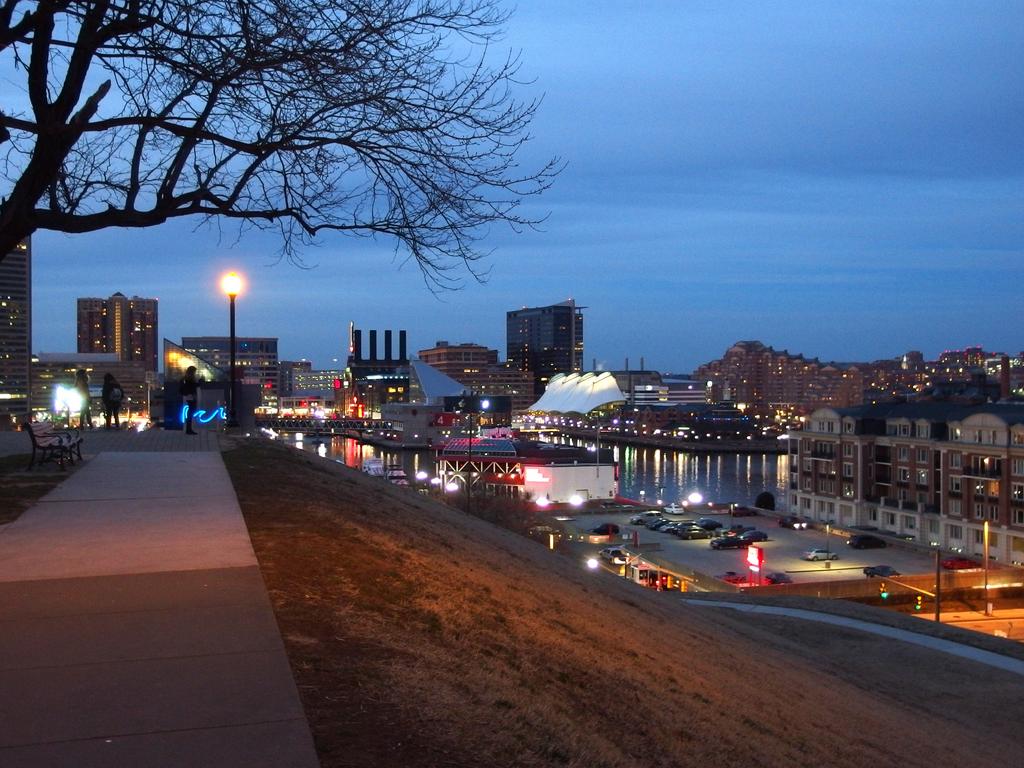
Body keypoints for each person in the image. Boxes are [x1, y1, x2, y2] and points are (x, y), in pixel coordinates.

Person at [179, 366, 199, 435]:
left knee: (190, 413)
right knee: (191, 413)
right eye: (194, 372)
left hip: (189, 396)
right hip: (191, 396)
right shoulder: (190, 378)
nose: (195, 373)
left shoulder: (186, 378)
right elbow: (193, 386)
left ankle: (189, 429)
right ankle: (189, 429)